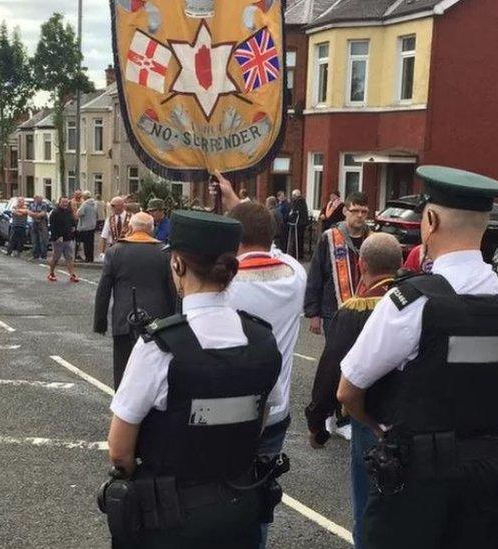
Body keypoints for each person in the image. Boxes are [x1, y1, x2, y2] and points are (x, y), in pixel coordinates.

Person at [336, 166, 498, 549]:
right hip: (491, 474)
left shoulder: (410, 302)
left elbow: (348, 390)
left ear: (430, 220)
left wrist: (379, 427)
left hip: (417, 476)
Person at [103, 209, 282, 548]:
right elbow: (259, 421)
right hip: (239, 510)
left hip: (167, 519)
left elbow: (119, 450)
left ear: (178, 265)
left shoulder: (160, 347)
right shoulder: (262, 340)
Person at [306, 233, 402, 549]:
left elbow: (332, 369)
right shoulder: (415, 302)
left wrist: (317, 422)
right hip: (414, 417)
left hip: (369, 418)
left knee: (368, 504)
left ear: (360, 264)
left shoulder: (355, 310)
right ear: (400, 264)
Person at [225, 200, 306, 548]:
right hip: (274, 412)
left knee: (217, 496)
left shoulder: (225, 285)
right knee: (260, 496)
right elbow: (267, 246)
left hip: (226, 415)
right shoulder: (295, 276)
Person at [305, 192, 371, 430]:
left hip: (363, 311)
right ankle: (336, 416)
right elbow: (316, 275)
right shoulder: (330, 237)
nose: (360, 216)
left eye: (364, 211)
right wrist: (313, 313)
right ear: (345, 211)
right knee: (338, 362)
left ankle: (342, 412)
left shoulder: (371, 239)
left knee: (357, 362)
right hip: (334, 309)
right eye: (355, 211)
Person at [93, 212, 176, 388]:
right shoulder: (164, 253)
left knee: (123, 370)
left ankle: (123, 410)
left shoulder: (115, 251)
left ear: (130, 228)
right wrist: (174, 319)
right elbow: (172, 289)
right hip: (158, 321)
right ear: (152, 230)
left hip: (124, 320)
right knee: (155, 371)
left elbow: (103, 290)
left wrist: (100, 323)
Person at [47, 196, 78, 283]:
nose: (65, 204)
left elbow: (72, 222)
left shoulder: (69, 211)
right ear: (59, 203)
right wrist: (57, 237)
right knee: (56, 257)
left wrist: (73, 228)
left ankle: (72, 275)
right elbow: (52, 227)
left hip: (68, 238)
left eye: (66, 202)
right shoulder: (55, 213)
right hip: (58, 239)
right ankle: (51, 273)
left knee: (69, 257)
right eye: (63, 202)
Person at [285, 190, 310, 259]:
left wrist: (290, 216)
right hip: (300, 223)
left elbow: (295, 212)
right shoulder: (301, 201)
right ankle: (297, 254)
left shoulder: (299, 201)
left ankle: (297, 254)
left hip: (299, 223)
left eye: (293, 196)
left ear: (296, 195)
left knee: (298, 239)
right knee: (299, 239)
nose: (292, 197)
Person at [76, 191, 98, 262]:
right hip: (92, 225)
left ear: (85, 197)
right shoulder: (94, 204)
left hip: (85, 226)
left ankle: (87, 258)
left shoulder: (85, 204)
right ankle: (91, 258)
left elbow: (79, 213)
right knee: (91, 243)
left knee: (86, 243)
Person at [29, 195, 51, 261]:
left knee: (43, 240)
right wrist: (36, 214)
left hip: (42, 224)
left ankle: (43, 256)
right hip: (34, 224)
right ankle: (35, 255)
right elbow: (29, 212)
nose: (40, 200)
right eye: (38, 199)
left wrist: (35, 215)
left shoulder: (44, 205)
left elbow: (43, 213)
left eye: (40, 199)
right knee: (35, 240)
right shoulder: (32, 205)